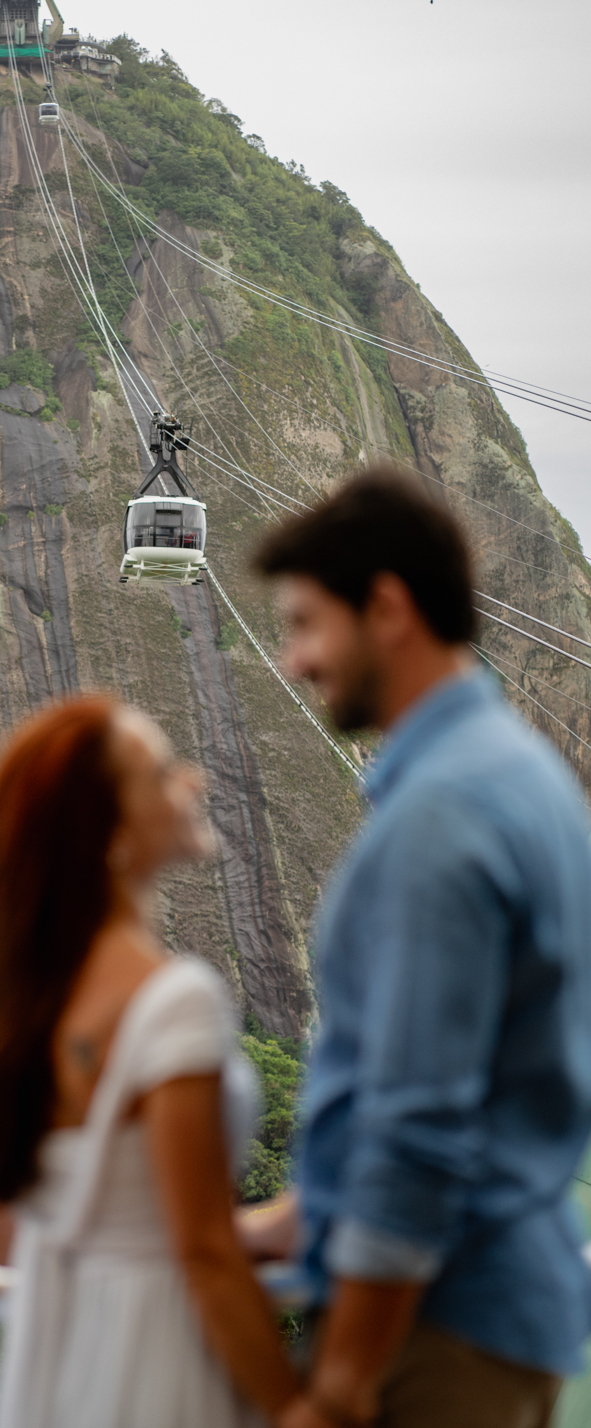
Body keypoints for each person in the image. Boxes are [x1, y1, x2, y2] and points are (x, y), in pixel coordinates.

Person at [239, 468, 591, 1428]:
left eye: (307, 622)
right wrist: (288, 1223)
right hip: (506, 1307)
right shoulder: (522, 774)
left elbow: (423, 1124)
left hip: (431, 1333)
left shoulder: (443, 817)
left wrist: (348, 1373)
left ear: (387, 607)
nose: (293, 660)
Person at [0, 695, 299, 1428]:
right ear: (108, 834)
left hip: (54, 1366)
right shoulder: (173, 1002)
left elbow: (7, 1241)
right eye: (164, 773)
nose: (192, 781)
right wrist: (302, 1410)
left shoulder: (12, 1007)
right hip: (163, 1365)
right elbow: (200, 1254)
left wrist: (253, 1230)